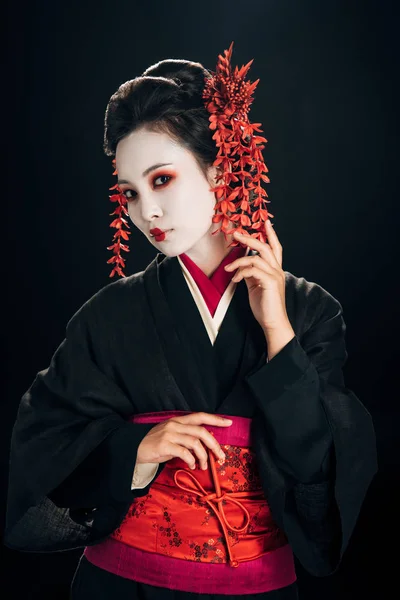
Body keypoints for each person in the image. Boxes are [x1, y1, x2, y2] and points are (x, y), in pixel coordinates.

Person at [4, 43, 377, 599]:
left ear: (220, 166)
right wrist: (136, 450)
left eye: (161, 180)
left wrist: (278, 332)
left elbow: (317, 467)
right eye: (129, 192)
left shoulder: (310, 311)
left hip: (257, 585)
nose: (144, 212)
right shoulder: (108, 316)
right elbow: (39, 450)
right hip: (125, 581)